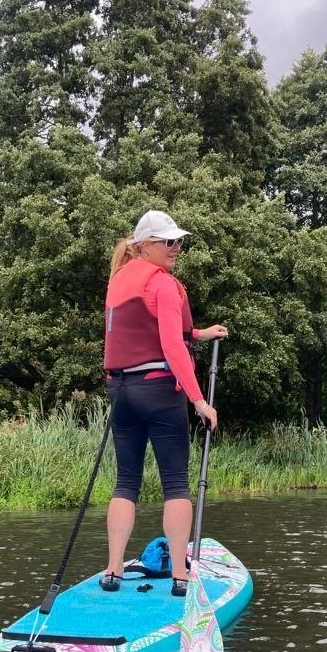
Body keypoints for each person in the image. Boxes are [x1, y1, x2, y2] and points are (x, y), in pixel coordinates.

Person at [101, 209, 227, 597]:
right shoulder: (164, 284)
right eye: (167, 241)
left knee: (126, 481)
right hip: (158, 392)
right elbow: (171, 345)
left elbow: (150, 329)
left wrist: (200, 333)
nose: (175, 248)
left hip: (120, 393)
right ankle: (179, 575)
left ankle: (113, 570)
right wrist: (199, 401)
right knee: (175, 484)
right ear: (145, 245)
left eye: (178, 241)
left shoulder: (119, 280)